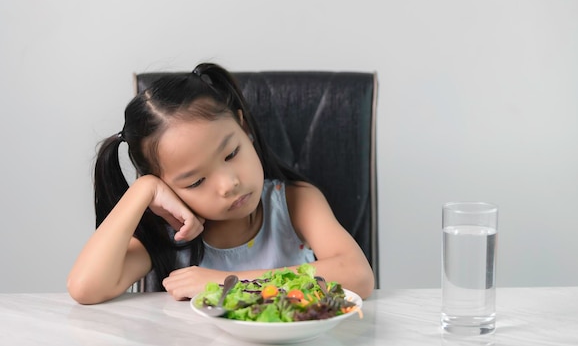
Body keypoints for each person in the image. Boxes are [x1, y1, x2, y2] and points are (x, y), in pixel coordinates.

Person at [67, 63, 375, 305]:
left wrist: (228, 282)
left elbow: (357, 275)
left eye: (231, 154)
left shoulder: (294, 202)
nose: (229, 184)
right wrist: (143, 189)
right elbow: (85, 288)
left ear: (243, 127)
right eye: (197, 181)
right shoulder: (171, 235)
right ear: (167, 187)